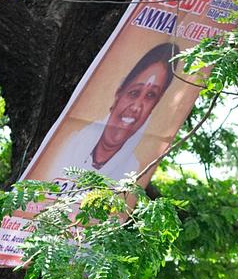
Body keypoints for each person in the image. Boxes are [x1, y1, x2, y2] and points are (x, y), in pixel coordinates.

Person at [46, 44, 179, 183]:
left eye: (151, 96)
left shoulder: (131, 172)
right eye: (134, 93)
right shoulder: (71, 144)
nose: (136, 107)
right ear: (118, 94)